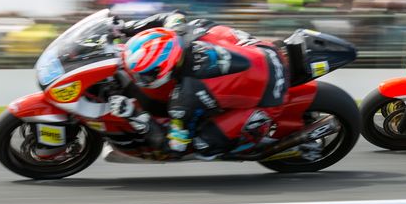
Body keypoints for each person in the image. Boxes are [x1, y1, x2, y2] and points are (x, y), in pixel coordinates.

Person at [107, 10, 288, 159]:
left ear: (165, 68)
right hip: (266, 50)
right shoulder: (181, 28)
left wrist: (134, 115)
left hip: (270, 97)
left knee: (203, 146)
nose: (141, 79)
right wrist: (125, 29)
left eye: (145, 75)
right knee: (214, 30)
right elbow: (169, 16)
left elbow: (174, 148)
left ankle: (253, 138)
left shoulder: (185, 100)